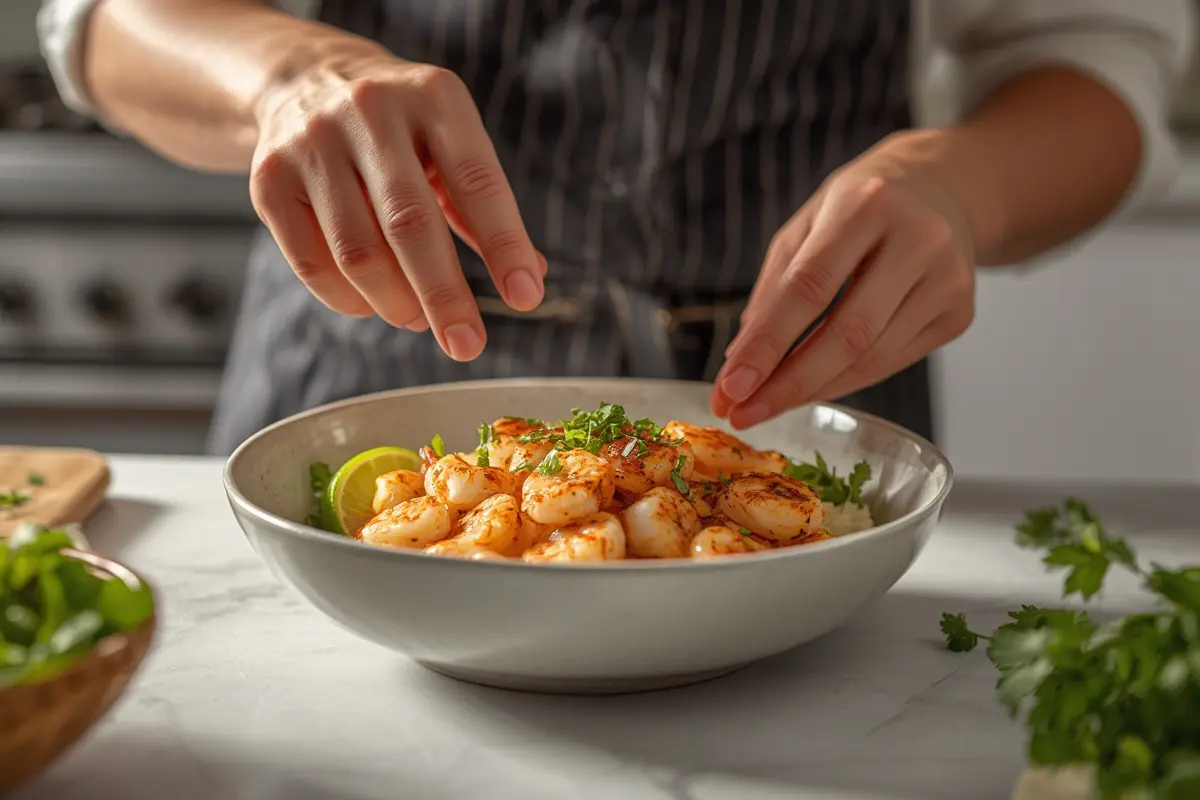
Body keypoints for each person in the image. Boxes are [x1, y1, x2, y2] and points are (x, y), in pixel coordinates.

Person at [38, 0, 1193, 454]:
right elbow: (91, 20)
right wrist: (292, 72)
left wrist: (961, 183)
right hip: (362, 385)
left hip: (804, 408)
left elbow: (1095, 54)